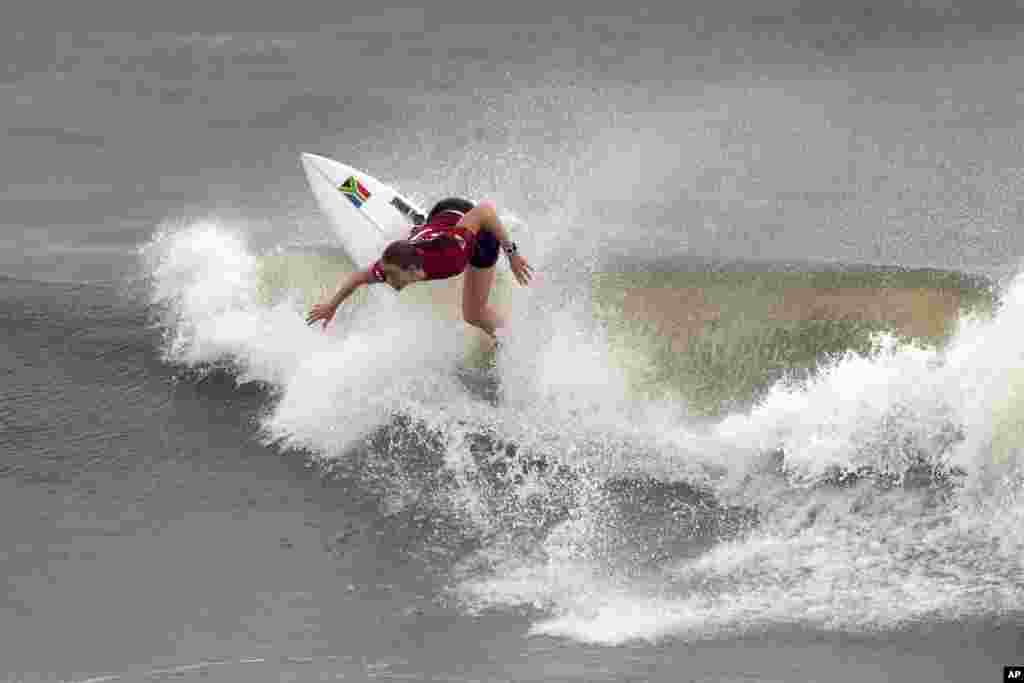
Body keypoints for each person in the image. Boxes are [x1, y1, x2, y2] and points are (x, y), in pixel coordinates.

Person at [306, 198, 533, 339]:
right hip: (441, 212)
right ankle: (421, 224)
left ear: (413, 270)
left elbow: (484, 211)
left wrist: (512, 254)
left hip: (479, 236)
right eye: (387, 273)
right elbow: (358, 277)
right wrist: (331, 306)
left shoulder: (451, 255)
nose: (387, 279)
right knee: (423, 230)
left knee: (473, 314)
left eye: (393, 275)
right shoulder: (393, 266)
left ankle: (512, 341)